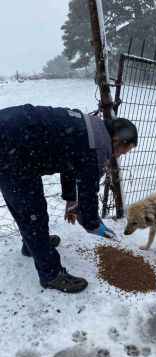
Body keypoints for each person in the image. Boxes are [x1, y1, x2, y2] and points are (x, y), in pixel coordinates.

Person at [0, 104, 138, 293]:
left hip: (15, 139)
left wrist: (71, 200)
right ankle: (51, 274)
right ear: (117, 140)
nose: (121, 155)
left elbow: (70, 162)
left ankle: (32, 245)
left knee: (30, 206)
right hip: (10, 146)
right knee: (32, 211)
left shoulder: (91, 129)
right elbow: (88, 190)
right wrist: (93, 224)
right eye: (125, 150)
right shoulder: (98, 146)